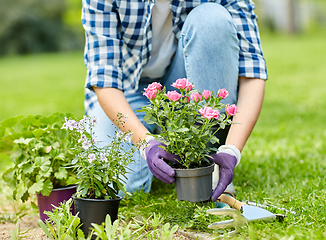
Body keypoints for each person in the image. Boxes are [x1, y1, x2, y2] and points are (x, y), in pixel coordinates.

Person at [81, 0, 267, 202]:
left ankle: (208, 163)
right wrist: (146, 144)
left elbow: (252, 73)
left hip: (182, 81)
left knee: (211, 20)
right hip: (125, 89)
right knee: (122, 187)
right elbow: (105, 82)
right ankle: (156, 141)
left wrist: (232, 150)